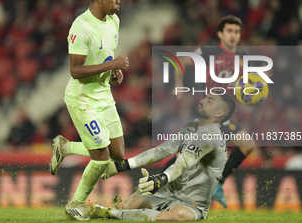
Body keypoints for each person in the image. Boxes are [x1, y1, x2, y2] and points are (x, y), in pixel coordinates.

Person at [49, 0, 129, 220]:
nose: (118, 0)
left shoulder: (113, 21)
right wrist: (112, 64)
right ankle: (76, 203)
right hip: (82, 98)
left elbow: (103, 60)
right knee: (101, 157)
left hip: (104, 94)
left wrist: (114, 73)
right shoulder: (81, 26)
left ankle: (66, 146)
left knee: (117, 154)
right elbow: (76, 71)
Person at [91, 92, 236, 221]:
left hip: (192, 202)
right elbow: (161, 151)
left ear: (219, 113)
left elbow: (184, 162)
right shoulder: (193, 125)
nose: (202, 100)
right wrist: (122, 165)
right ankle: (132, 213)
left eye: (209, 101)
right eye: (206, 97)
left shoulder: (212, 136)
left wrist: (161, 179)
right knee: (130, 208)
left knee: (175, 216)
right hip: (169, 189)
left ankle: (111, 214)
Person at [170, 15, 256, 208]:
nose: (233, 35)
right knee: (188, 156)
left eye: (236, 32)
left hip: (224, 115)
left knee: (246, 145)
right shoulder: (209, 52)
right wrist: (178, 83)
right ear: (220, 33)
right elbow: (182, 61)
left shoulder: (242, 58)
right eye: (229, 31)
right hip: (210, 113)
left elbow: (245, 87)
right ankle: (159, 184)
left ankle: (218, 182)